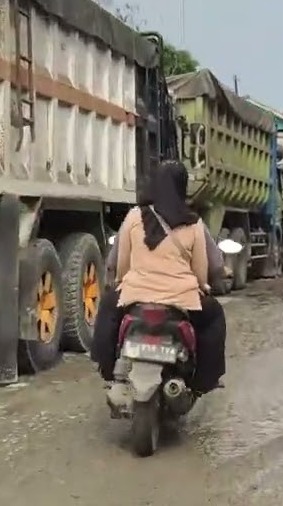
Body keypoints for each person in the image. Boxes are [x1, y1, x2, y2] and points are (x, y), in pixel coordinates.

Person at [91, 160, 227, 395]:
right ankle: (204, 380)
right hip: (181, 300)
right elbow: (200, 272)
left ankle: (107, 369)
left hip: (135, 296)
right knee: (214, 315)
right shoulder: (194, 223)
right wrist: (202, 286)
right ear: (183, 187)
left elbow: (121, 265)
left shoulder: (134, 216)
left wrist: (121, 282)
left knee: (107, 307)